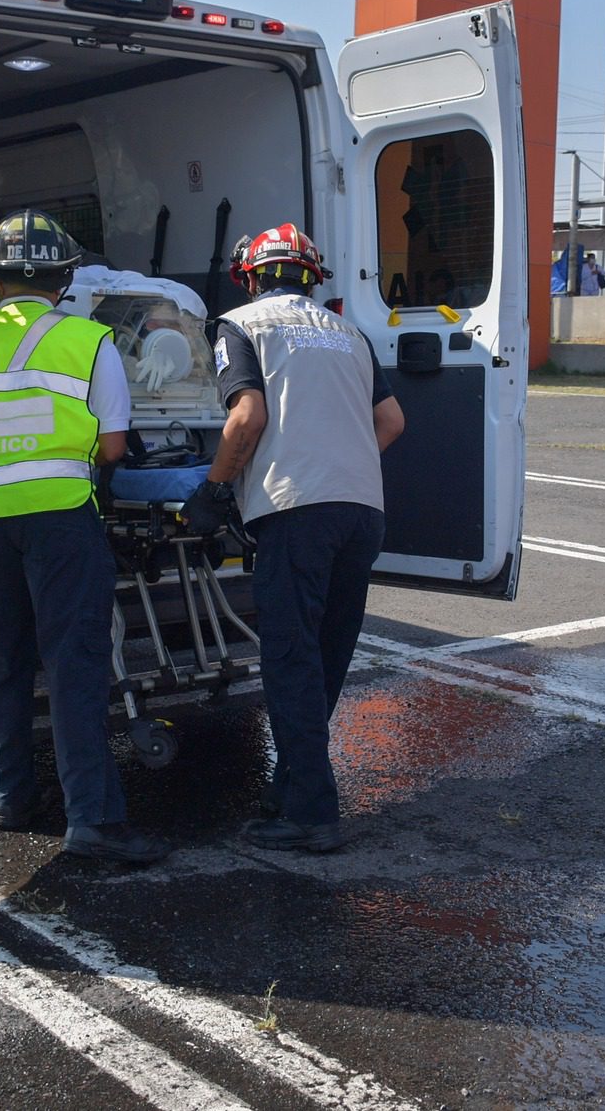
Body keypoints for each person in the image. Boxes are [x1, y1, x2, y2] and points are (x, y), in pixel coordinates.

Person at [0, 209, 168, 865]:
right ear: (65, 277)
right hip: (62, 513)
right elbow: (113, 446)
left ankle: (11, 799)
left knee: (4, 659)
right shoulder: (89, 342)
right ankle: (92, 819)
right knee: (73, 661)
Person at [181, 224, 406, 853]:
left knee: (290, 656)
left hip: (295, 509)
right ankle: (294, 783)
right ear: (312, 278)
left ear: (251, 277)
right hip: (361, 509)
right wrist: (341, 458)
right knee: (326, 655)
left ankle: (310, 811)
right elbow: (391, 422)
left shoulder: (241, 324)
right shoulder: (349, 333)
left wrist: (216, 489)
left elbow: (246, 416)